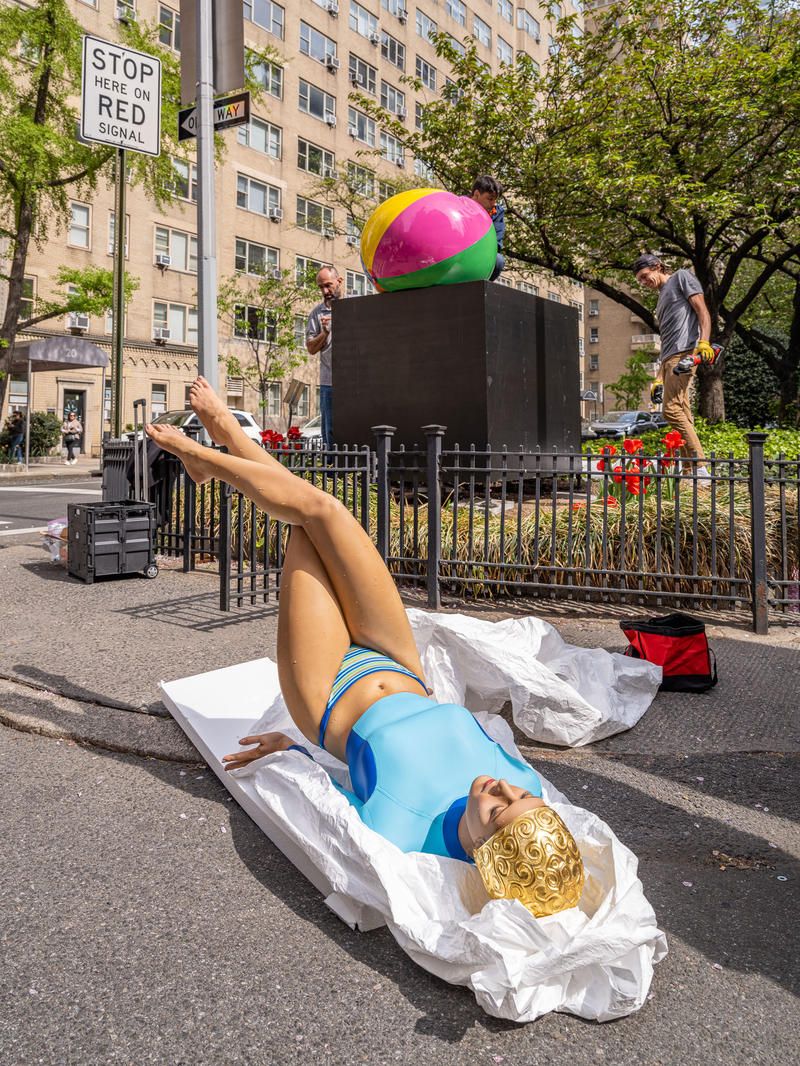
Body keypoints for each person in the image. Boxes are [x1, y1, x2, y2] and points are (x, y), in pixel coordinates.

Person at [146, 377, 585, 920]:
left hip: (327, 693)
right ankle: (216, 454)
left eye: (497, 812)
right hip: (400, 664)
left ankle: (208, 451)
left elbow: (326, 806)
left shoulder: (400, 833)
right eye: (520, 798)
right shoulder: (528, 786)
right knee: (327, 513)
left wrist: (290, 748)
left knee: (310, 525)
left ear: (482, 853)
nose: (503, 790)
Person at [633, 254, 715, 480]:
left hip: (685, 354)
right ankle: (691, 471)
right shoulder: (660, 298)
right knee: (683, 412)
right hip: (670, 358)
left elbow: (702, 311)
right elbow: (667, 342)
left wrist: (704, 342)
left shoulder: (681, 277)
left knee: (670, 410)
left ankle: (700, 466)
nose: (643, 282)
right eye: (640, 280)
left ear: (657, 266)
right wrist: (659, 377)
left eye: (645, 276)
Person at [306, 266, 344, 450]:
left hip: (357, 381)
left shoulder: (354, 305)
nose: (325, 291)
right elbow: (311, 348)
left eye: (328, 285)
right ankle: (331, 474)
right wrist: (324, 332)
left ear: (340, 281)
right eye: (321, 287)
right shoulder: (317, 313)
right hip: (329, 382)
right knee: (329, 432)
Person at [471, 176, 506, 282]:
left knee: (498, 260)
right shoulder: (458, 204)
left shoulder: (497, 212)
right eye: (490, 199)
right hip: (455, 252)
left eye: (495, 200)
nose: (493, 203)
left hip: (480, 254)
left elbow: (496, 244)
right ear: (477, 194)